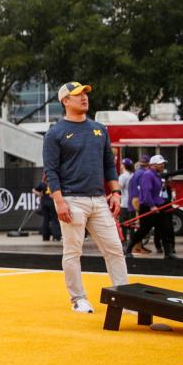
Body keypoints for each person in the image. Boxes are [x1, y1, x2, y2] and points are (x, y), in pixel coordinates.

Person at [43, 82, 128, 313]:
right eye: (77, 95)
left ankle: (124, 296)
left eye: (85, 94)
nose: (83, 98)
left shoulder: (100, 129)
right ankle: (78, 299)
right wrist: (59, 202)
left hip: (99, 200)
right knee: (73, 251)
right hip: (71, 200)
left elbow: (109, 165)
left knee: (114, 249)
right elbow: (51, 170)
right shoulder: (55, 133)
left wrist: (116, 193)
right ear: (65, 101)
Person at [124, 154, 180, 260]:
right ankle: (128, 249)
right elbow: (146, 192)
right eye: (160, 164)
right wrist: (151, 206)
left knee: (166, 228)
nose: (163, 165)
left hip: (159, 205)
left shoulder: (157, 175)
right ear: (153, 165)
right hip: (149, 206)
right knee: (144, 230)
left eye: (163, 163)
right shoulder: (148, 175)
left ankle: (168, 253)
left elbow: (157, 191)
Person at [126, 155, 153, 254]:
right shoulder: (144, 173)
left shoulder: (137, 172)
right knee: (140, 225)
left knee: (139, 224)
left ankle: (139, 246)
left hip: (133, 199)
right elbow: (143, 188)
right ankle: (137, 247)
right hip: (138, 199)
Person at [33, 173, 61, 242]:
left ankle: (45, 237)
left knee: (46, 220)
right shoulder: (54, 183)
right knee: (54, 219)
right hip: (52, 203)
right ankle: (56, 237)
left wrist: (39, 194)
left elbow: (33, 190)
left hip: (44, 203)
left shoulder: (42, 183)